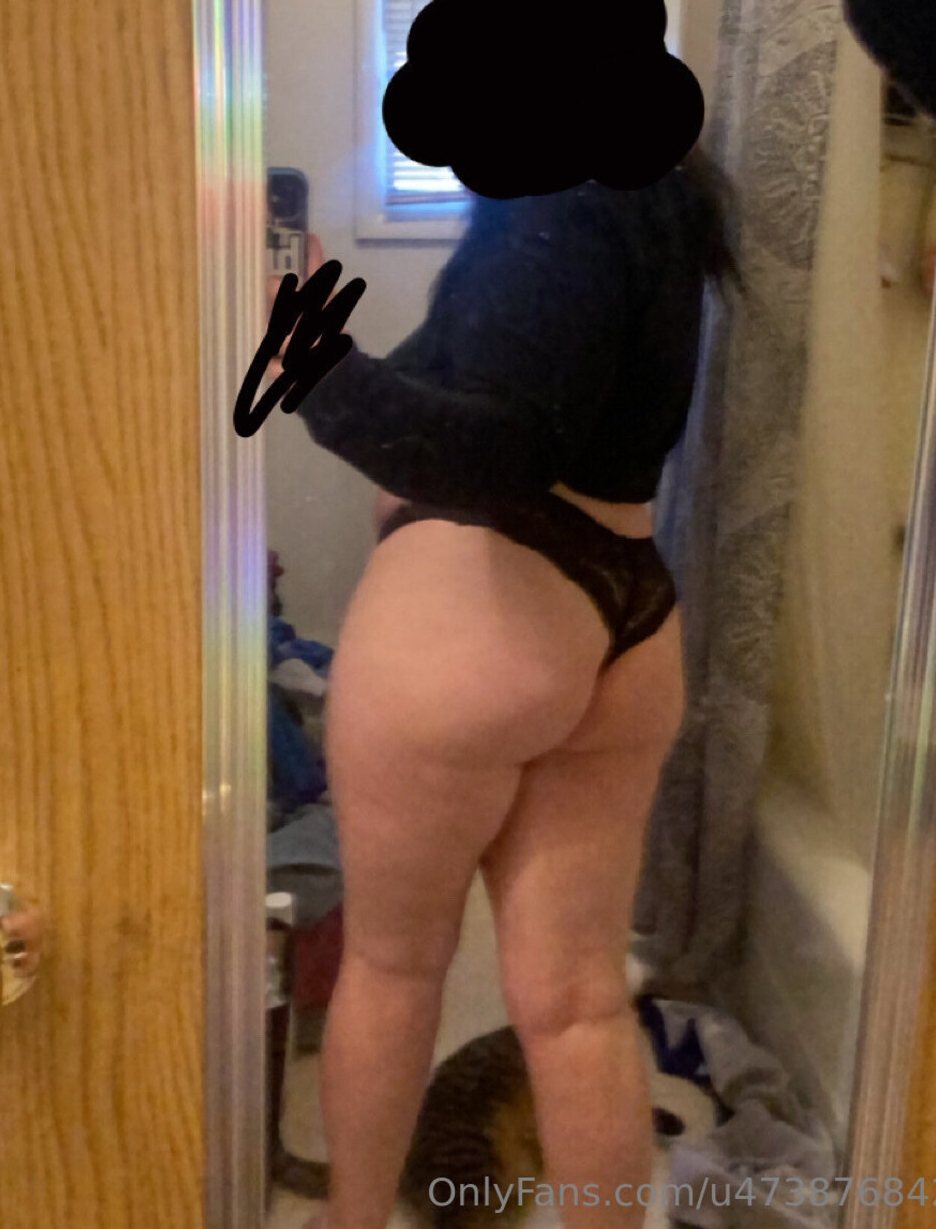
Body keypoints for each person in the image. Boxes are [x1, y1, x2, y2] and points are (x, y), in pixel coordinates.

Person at [274, 149, 738, 1229]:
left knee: (392, 968)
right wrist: (326, 344)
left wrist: (306, 361)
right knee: (578, 1006)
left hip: (481, 610)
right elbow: (461, 401)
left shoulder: (556, 202)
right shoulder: (648, 202)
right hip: (629, 615)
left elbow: (485, 451)